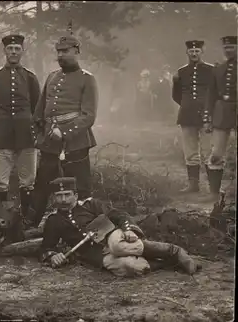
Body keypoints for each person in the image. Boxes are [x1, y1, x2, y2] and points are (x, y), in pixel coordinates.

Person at [39, 177, 200, 277]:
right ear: (54, 198)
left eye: (67, 194)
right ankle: (169, 263)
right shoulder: (53, 220)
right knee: (130, 267)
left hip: (112, 236)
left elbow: (119, 215)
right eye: (59, 196)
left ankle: (173, 251)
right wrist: (53, 256)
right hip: (93, 253)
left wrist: (128, 230)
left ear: (76, 195)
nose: (63, 199)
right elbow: (46, 247)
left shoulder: (91, 205)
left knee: (117, 247)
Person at [30, 28, 98, 228]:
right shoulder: (51, 76)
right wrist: (42, 135)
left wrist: (65, 132)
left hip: (76, 142)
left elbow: (89, 116)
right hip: (50, 142)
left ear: (76, 51)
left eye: (65, 51)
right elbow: (39, 111)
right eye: (58, 51)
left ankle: (82, 225)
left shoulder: (87, 78)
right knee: (42, 185)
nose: (60, 55)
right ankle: (32, 224)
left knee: (80, 186)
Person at [0, 34, 41, 223]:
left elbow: (37, 108)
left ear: (22, 51)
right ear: (4, 51)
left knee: (28, 181)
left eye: (17, 49)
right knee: (0, 181)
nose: (13, 52)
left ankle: (26, 220)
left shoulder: (30, 78)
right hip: (1, 137)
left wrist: (37, 133)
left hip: (27, 137)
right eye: (10, 49)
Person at [172, 40, 214, 194]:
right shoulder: (181, 72)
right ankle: (193, 185)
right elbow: (176, 95)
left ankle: (213, 187)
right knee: (190, 152)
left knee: (209, 151)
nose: (194, 54)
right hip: (187, 116)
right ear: (187, 53)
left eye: (197, 51)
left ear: (202, 52)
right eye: (191, 51)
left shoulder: (211, 70)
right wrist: (187, 105)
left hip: (206, 116)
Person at [204, 35, 237, 202]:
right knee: (216, 154)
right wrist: (207, 118)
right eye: (226, 48)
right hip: (221, 112)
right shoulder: (217, 69)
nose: (228, 50)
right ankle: (214, 194)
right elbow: (211, 95)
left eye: (232, 47)